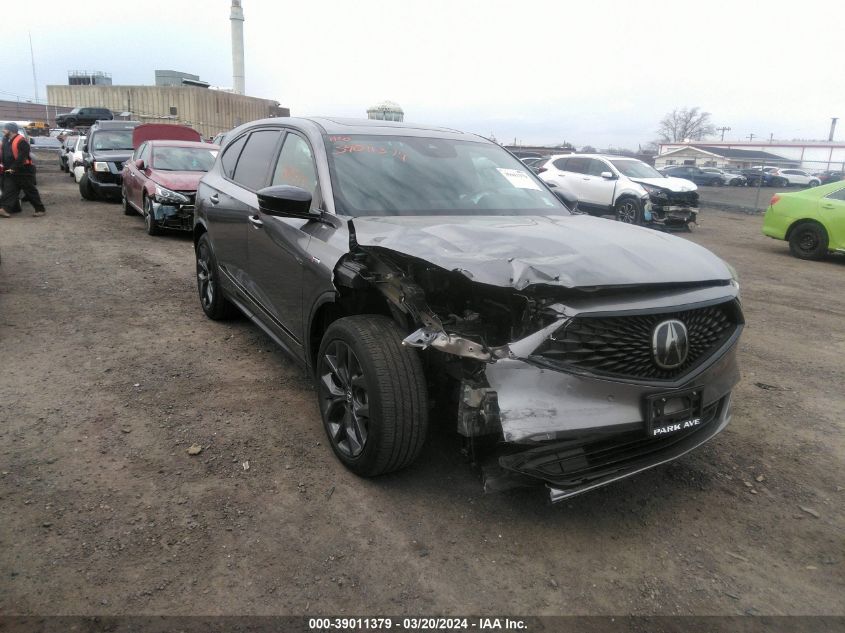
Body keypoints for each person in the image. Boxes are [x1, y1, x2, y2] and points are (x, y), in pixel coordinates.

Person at [0, 122, 46, 218]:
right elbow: (3, 155)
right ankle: (5, 209)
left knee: (29, 190)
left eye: (5, 129)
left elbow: (22, 158)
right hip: (10, 170)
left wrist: (13, 168)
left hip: (23, 170)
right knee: (9, 190)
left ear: (11, 130)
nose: (3, 130)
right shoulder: (5, 140)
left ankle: (40, 209)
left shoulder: (22, 141)